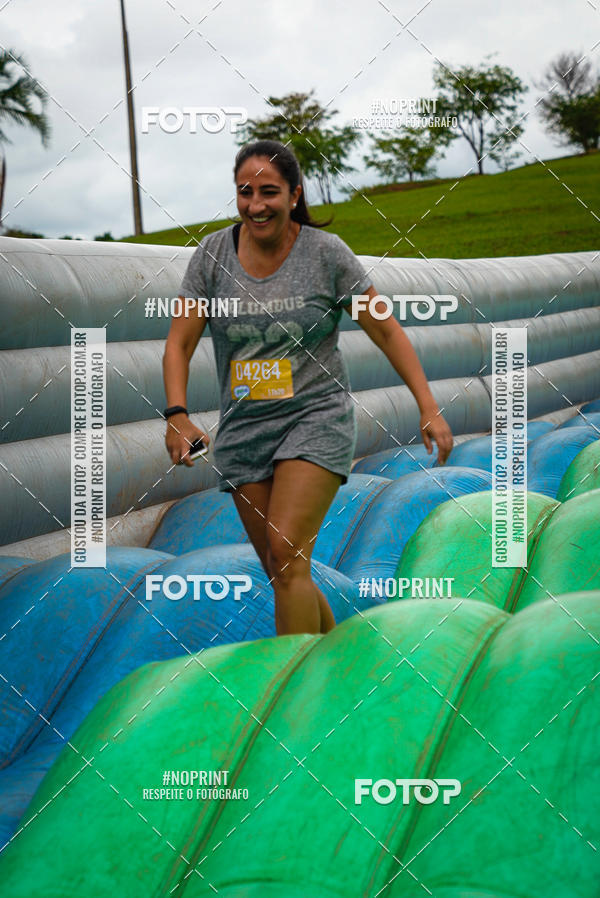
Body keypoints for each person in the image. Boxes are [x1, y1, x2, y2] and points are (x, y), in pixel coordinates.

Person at [163, 139, 453, 637]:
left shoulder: (326, 255)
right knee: (284, 571)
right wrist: (177, 413)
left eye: (269, 192)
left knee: (285, 553)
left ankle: (297, 702)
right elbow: (179, 344)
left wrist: (428, 405)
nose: (256, 205)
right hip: (244, 430)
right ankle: (338, 660)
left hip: (315, 418)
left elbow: (385, 328)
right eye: (245, 192)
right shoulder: (212, 255)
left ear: (294, 195)